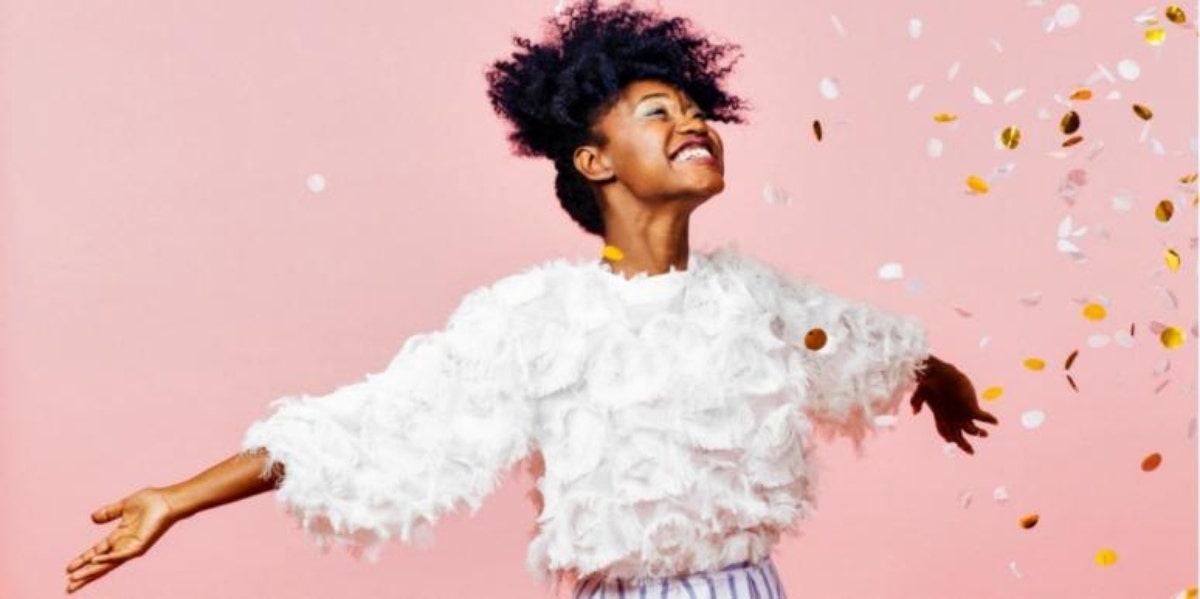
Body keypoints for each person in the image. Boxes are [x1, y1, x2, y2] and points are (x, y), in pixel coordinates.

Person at [64, 0, 999, 596]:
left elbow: (860, 345)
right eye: (658, 112)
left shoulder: (756, 297)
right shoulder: (540, 320)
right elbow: (378, 422)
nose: (693, 121)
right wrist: (177, 499)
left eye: (696, 108)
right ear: (595, 162)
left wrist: (939, 377)